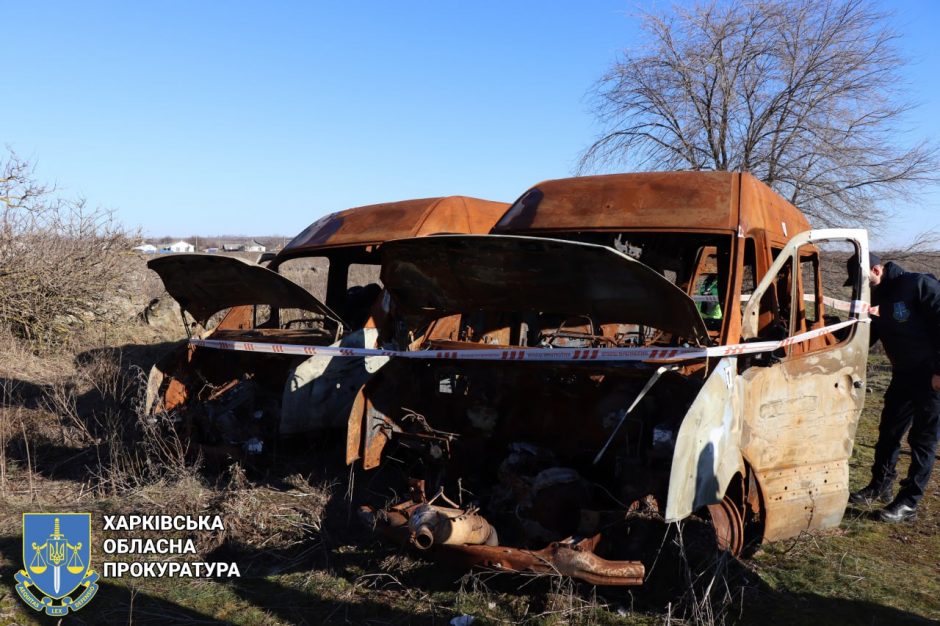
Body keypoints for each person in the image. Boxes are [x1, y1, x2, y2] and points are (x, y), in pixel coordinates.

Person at [847, 252, 940, 523]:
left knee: (922, 440)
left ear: (876, 270)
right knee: (889, 430)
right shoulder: (878, 296)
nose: (859, 286)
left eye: (861, 279)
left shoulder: (918, 284)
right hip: (904, 373)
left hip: (931, 375)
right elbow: (873, 332)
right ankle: (881, 485)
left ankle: (909, 502)